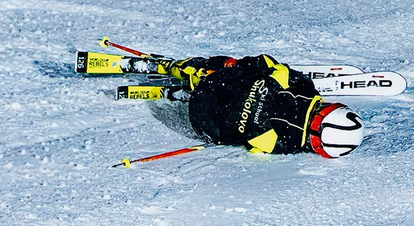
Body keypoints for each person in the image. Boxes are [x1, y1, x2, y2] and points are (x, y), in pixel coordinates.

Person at [115, 53, 365, 156]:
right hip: (204, 122)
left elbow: (266, 62)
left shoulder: (302, 90)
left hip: (215, 84)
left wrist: (242, 68)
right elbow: (256, 146)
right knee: (227, 112)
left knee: (229, 69)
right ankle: (178, 96)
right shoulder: (285, 144)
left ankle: (180, 69)